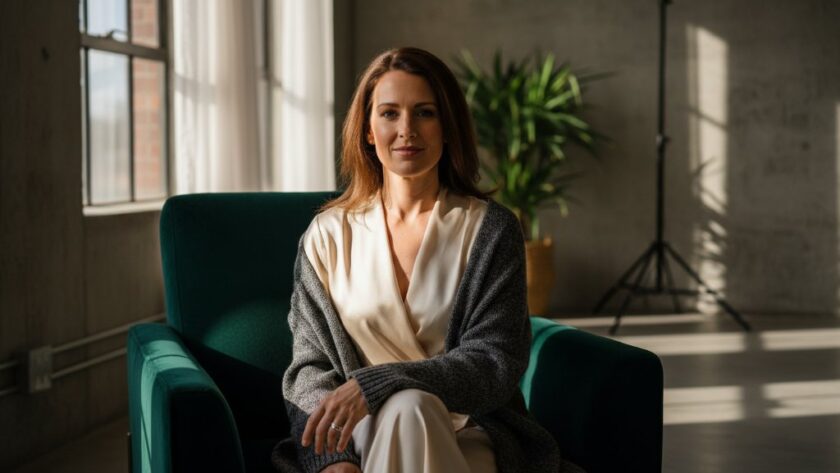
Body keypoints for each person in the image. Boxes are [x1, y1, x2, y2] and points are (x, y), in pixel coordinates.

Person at [272, 47, 583, 473]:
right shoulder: (326, 236)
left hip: (470, 431)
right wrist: (331, 459)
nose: (406, 130)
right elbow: (309, 369)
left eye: (424, 113)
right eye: (389, 114)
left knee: (410, 408)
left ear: (448, 127)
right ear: (367, 130)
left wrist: (381, 385)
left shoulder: (489, 230)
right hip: (359, 435)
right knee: (406, 410)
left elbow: (496, 360)